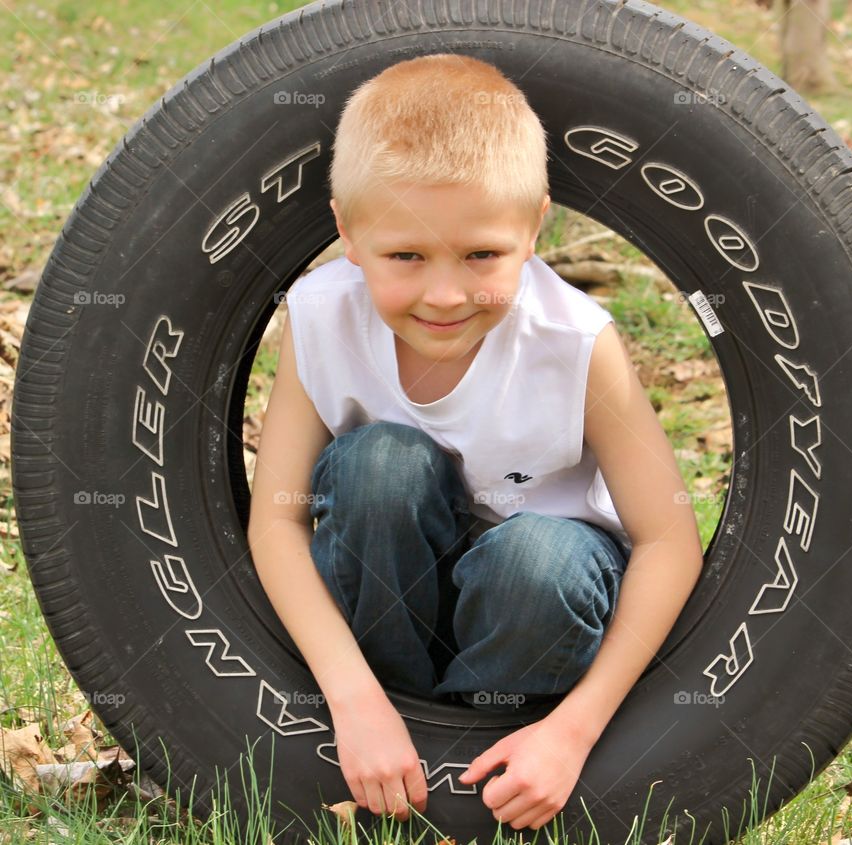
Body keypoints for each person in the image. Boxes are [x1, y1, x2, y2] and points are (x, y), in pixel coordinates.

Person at [247, 53, 703, 833]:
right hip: (391, 592)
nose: (446, 294)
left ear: (535, 229)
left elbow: (670, 540)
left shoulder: (576, 342)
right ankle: (396, 717)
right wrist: (351, 702)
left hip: (532, 607)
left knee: (540, 561)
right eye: (406, 257)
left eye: (482, 254)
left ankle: (485, 742)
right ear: (347, 234)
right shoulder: (320, 317)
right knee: (379, 466)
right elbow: (276, 519)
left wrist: (576, 729)